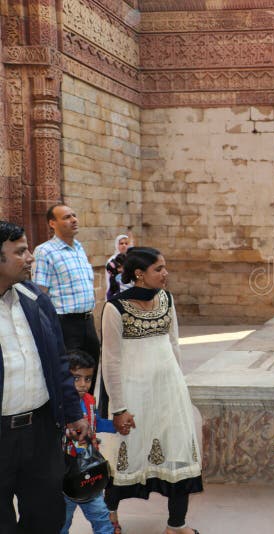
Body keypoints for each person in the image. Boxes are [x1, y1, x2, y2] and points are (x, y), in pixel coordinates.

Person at [100, 247, 203, 533]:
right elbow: (111, 360)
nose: (165, 273)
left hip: (168, 390)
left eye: (165, 267)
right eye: (159, 269)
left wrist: (179, 385)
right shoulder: (115, 307)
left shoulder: (166, 299)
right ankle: (109, 517)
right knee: (124, 454)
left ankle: (176, 525)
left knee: (178, 450)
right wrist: (118, 407)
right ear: (139, 274)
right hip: (133, 393)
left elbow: (174, 344)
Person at [0, 220, 90, 533]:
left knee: (46, 517)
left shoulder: (35, 299)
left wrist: (74, 413)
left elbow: (58, 361)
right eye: (20, 251)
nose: (30, 258)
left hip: (40, 431)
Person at [33, 204, 100, 368]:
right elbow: (40, 293)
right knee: (70, 375)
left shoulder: (79, 247)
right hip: (65, 325)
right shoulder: (44, 251)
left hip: (87, 322)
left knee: (90, 370)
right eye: (66, 217)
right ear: (52, 223)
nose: (74, 220)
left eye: (74, 215)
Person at [62, 349, 116, 534]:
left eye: (88, 378)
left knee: (101, 517)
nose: (83, 384)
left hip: (90, 473)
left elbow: (96, 422)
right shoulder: (60, 406)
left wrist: (115, 425)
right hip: (65, 476)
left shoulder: (89, 401)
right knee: (62, 521)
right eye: (76, 378)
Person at [105, 235, 131, 300]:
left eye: (126, 243)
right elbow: (109, 279)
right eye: (121, 243)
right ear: (117, 245)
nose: (124, 245)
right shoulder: (111, 260)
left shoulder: (131, 259)